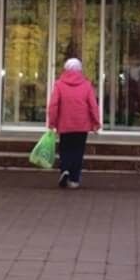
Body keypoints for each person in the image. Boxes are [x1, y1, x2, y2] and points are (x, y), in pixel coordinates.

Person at [45, 56, 102, 189]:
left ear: (66, 69)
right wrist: (96, 123)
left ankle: (65, 169)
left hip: (64, 124)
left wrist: (52, 122)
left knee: (65, 149)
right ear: (80, 69)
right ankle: (74, 179)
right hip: (82, 125)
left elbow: (53, 105)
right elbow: (93, 106)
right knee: (78, 151)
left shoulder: (59, 84)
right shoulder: (86, 85)